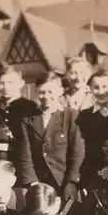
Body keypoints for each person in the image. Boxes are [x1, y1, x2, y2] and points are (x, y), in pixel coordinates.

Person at [22, 72, 85, 201]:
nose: (46, 96)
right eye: (41, 92)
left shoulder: (71, 116)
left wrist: (71, 182)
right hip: (39, 182)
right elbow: (25, 154)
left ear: (60, 91)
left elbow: (77, 153)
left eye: (50, 92)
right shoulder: (28, 119)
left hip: (63, 181)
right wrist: (33, 182)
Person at [0, 62, 36, 187]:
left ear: (21, 84)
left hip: (19, 162)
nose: (5, 87)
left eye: (10, 82)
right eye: (2, 83)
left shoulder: (29, 107)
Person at [76, 69, 108, 188]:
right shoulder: (83, 116)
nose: (101, 92)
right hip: (94, 175)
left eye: (105, 86)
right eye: (96, 87)